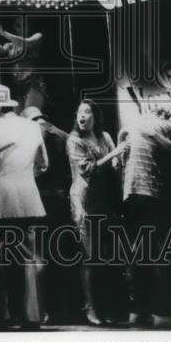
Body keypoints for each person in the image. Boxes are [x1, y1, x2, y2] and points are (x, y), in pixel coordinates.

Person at [0, 85, 48, 330]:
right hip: (27, 196)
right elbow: (43, 164)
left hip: (0, 197)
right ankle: (25, 314)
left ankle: (1, 314)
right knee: (21, 257)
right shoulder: (32, 126)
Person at [117, 108, 171, 326]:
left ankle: (138, 307)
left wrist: (122, 155)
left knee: (136, 252)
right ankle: (143, 308)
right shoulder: (163, 125)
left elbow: (122, 134)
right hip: (146, 193)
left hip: (131, 192)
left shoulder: (138, 123)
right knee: (146, 253)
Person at [67, 100, 124, 326]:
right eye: (79, 112)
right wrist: (115, 153)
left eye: (87, 112)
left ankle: (111, 308)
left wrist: (118, 154)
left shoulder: (105, 137)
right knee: (90, 257)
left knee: (108, 257)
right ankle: (91, 308)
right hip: (83, 200)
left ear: (95, 116)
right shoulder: (74, 140)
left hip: (105, 201)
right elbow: (87, 170)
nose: (82, 116)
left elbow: (113, 165)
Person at [21, 106, 78, 325]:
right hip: (62, 201)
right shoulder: (65, 135)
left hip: (40, 201)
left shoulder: (29, 133)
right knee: (64, 256)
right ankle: (70, 308)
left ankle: (47, 309)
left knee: (41, 256)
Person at [0, 20, 46, 111]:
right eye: (18, 26)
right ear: (15, 27)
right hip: (17, 86)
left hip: (33, 84)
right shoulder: (11, 45)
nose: (22, 28)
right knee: (18, 119)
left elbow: (26, 42)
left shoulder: (37, 36)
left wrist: (3, 33)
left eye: (24, 25)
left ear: (29, 26)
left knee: (30, 116)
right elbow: (1, 50)